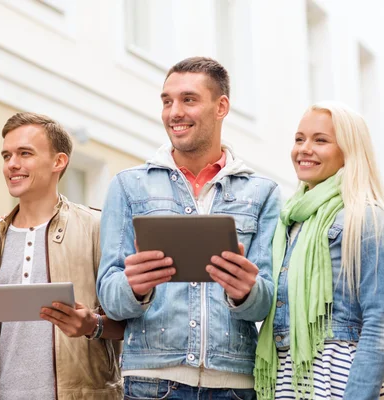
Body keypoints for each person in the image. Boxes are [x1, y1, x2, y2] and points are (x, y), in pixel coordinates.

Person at [96, 56, 281, 399]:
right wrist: (134, 287)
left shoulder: (262, 193)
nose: (173, 112)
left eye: (188, 100)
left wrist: (245, 291)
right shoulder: (128, 186)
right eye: (167, 101)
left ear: (221, 106)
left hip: (235, 386)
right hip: (150, 383)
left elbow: (266, 302)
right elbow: (110, 297)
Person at [0, 112, 124, 400]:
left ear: (58, 162)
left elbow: (138, 322)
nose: (12, 164)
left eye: (24, 153)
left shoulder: (98, 230)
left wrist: (93, 325)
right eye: (6, 156)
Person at [254, 102, 384, 400]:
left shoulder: (367, 217)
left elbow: (380, 323)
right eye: (299, 139)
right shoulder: (287, 219)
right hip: (284, 379)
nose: (304, 149)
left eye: (320, 140)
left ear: (349, 150)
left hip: (337, 380)